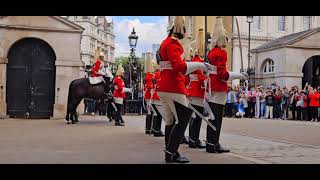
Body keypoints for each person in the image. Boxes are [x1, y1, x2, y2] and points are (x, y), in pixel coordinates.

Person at [157, 16, 210, 163]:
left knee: (170, 121)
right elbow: (179, 67)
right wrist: (200, 65)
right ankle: (171, 152)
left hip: (163, 86)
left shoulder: (164, 43)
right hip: (173, 87)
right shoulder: (174, 44)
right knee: (184, 117)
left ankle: (171, 154)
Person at [205, 16, 248, 153]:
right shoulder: (221, 53)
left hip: (211, 87)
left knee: (211, 117)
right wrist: (239, 75)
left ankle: (209, 143)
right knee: (217, 118)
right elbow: (223, 74)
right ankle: (214, 144)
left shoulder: (211, 52)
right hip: (218, 88)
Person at [185, 28, 207, 149]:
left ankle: (192, 139)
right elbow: (201, 77)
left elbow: (188, 79)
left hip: (191, 90)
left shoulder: (193, 61)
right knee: (197, 117)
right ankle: (194, 139)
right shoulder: (199, 62)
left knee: (193, 116)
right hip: (197, 91)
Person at [150, 63, 165, 137]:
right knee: (161, 115)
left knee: (157, 114)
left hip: (154, 96)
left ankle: (155, 129)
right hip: (159, 97)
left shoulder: (154, 75)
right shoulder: (160, 74)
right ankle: (157, 130)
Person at [144, 52, 155, 134]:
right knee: (149, 112)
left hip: (150, 96)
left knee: (150, 112)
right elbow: (150, 86)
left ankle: (149, 128)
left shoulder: (150, 75)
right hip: (149, 97)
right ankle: (148, 128)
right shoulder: (149, 75)